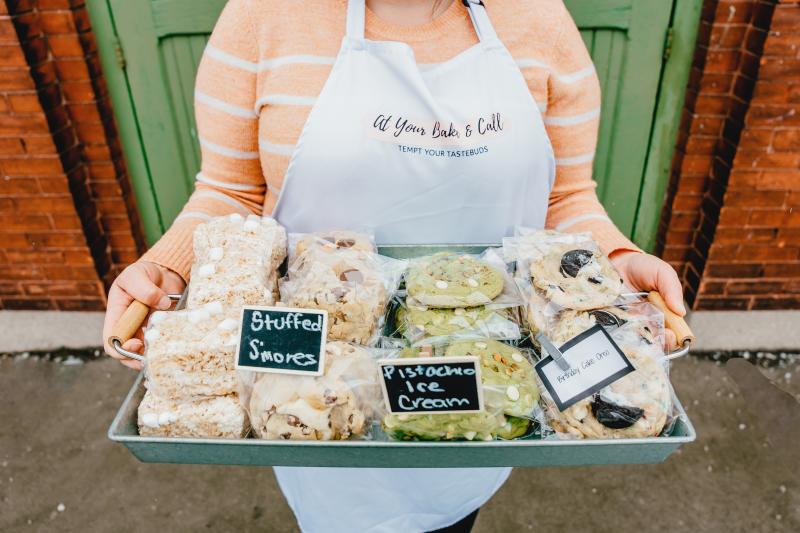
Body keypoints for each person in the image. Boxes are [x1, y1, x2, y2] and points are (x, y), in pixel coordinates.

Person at [103, 0, 687, 531]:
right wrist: (168, 267)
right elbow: (228, 190)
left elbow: (567, 197)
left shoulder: (538, 20)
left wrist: (615, 259)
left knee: (452, 507)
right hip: (316, 369)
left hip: (488, 360)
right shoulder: (264, 15)